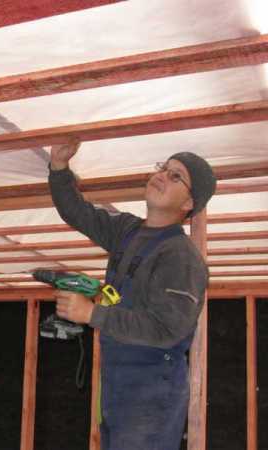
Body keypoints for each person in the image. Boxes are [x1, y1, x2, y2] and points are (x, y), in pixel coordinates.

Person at [48, 137, 216, 450]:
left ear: (188, 204)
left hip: (151, 393)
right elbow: (77, 213)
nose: (162, 175)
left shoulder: (181, 257)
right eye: (163, 168)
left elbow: (166, 329)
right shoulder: (128, 232)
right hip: (119, 385)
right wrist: (59, 167)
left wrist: (92, 313)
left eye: (176, 176)